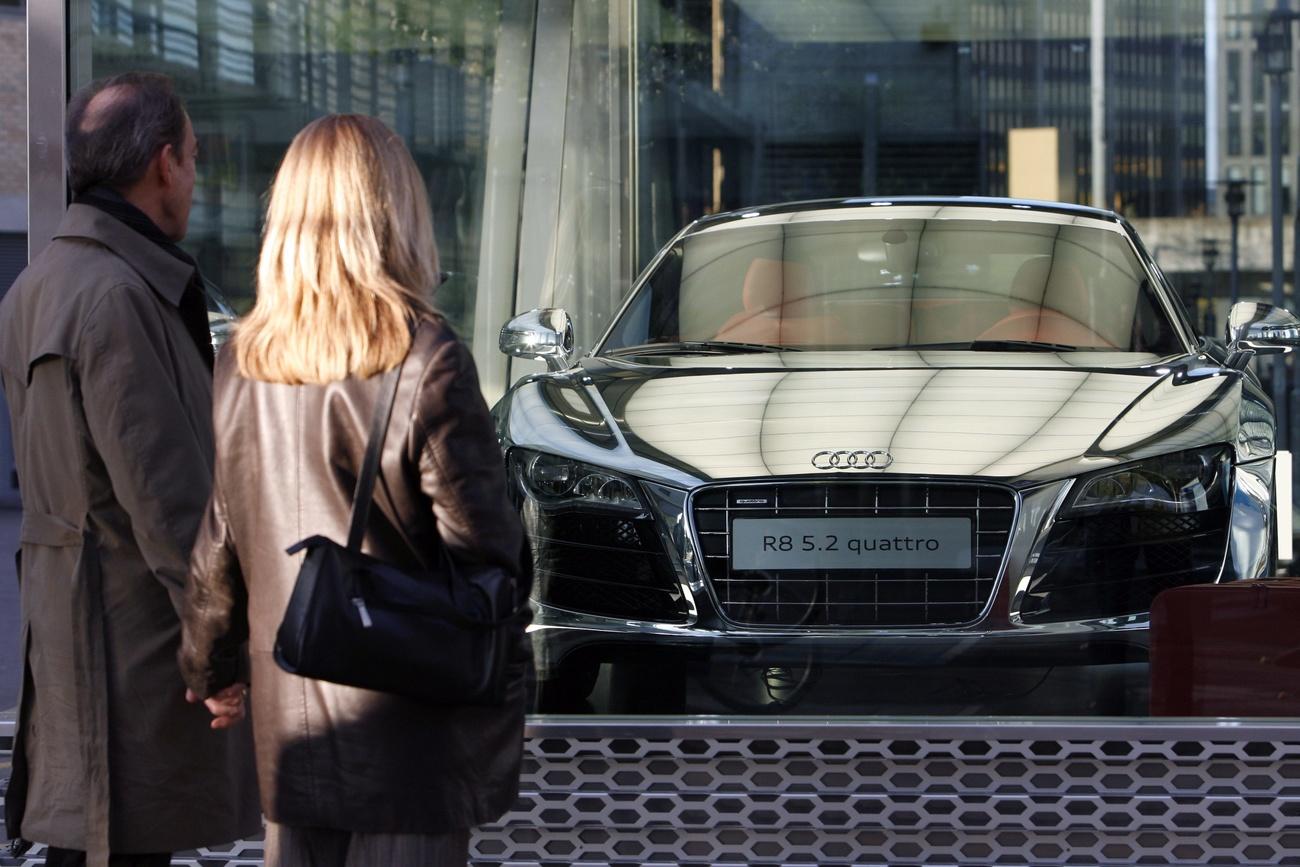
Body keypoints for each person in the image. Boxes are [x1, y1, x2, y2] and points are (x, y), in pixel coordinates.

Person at [178, 114, 531, 867]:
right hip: (410, 741)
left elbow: (222, 535)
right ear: (396, 214)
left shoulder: (243, 359)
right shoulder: (426, 359)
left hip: (294, 731)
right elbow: (490, 564)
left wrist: (212, 669)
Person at [0, 73, 260, 866]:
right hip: (134, 644)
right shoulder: (116, 293)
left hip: (73, 630)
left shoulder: (39, 284)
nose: (192, 175)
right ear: (161, 162)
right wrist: (217, 654)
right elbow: (168, 498)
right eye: (191, 156)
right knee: (119, 841)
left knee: (93, 840)